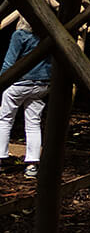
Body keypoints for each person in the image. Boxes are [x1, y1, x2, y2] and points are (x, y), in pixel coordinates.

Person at [0, 24, 52, 179]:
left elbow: (9, 63)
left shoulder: (20, 35)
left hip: (19, 84)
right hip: (42, 84)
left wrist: (2, 81)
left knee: (4, 120)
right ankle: (32, 165)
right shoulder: (49, 35)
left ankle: (1, 158)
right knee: (33, 123)